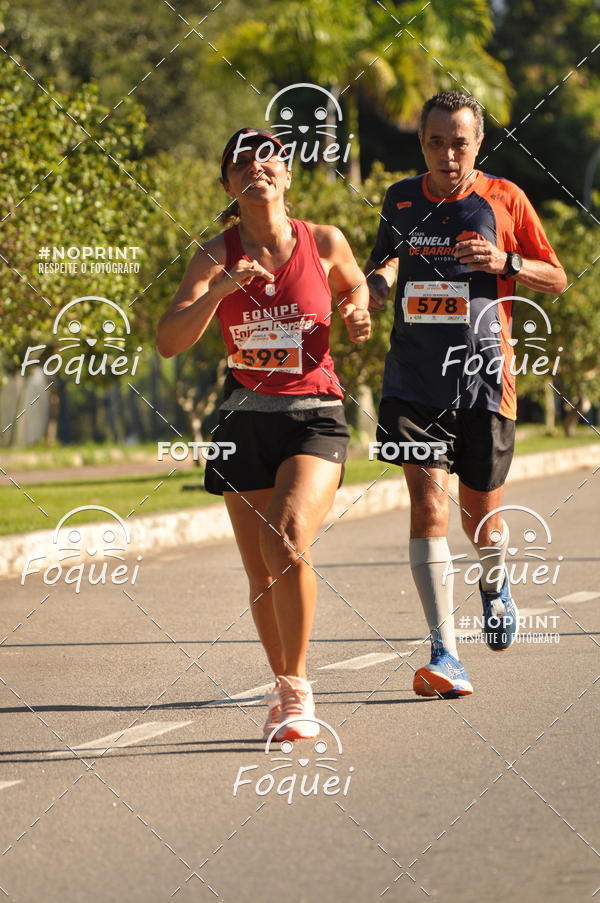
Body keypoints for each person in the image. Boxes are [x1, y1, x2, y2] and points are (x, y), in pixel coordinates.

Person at [157, 128, 370, 740]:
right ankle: (282, 687)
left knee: (287, 537)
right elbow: (169, 342)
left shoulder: (324, 240)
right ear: (228, 183)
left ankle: (299, 691)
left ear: (288, 175)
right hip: (242, 419)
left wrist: (356, 309)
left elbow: (354, 286)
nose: (258, 166)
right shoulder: (213, 255)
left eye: (270, 156)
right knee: (261, 572)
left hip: (315, 412)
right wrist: (219, 291)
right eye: (242, 161)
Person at [365, 92, 566, 699]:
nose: (447, 154)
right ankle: (445, 652)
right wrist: (372, 286)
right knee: (428, 509)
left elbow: (555, 276)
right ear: (421, 143)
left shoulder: (506, 198)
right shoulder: (400, 198)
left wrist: (505, 259)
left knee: (482, 521)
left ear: (478, 143)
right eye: (435, 142)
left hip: (483, 379)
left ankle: (495, 581)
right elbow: (387, 262)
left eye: (459, 142)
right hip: (413, 381)